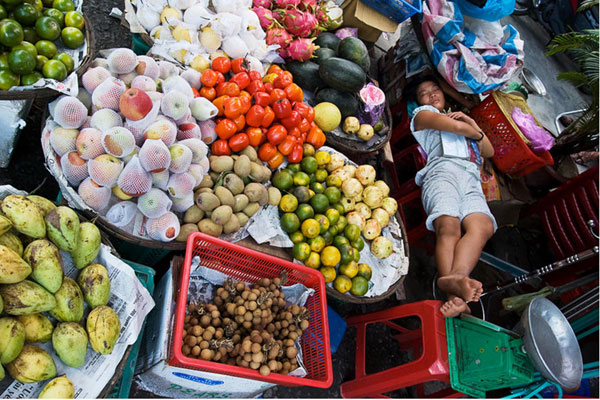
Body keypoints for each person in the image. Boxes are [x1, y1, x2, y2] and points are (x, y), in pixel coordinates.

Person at [403, 76, 497, 317]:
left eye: (435, 88)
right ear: (417, 101)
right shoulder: (422, 115)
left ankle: (454, 279)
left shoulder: (460, 118)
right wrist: (471, 127)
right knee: (449, 225)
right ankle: (453, 294)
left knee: (483, 226)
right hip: (442, 171)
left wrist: (470, 122)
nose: (433, 94)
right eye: (425, 92)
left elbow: (489, 151)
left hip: (471, 178)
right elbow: (457, 129)